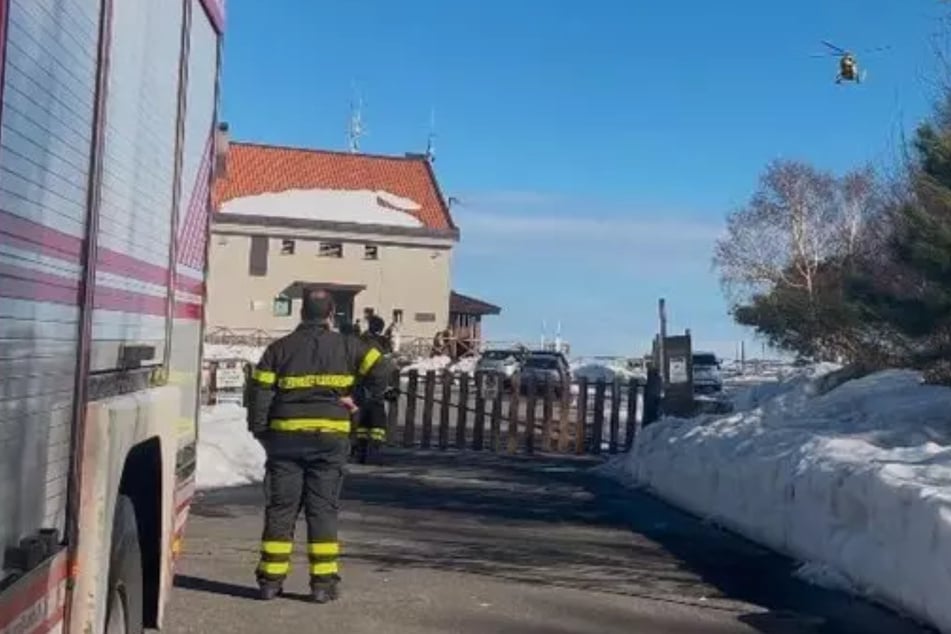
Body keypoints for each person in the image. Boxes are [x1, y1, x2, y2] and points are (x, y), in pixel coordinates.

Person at [246, 289, 389, 603]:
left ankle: (270, 581)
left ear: (301, 313)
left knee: (281, 509)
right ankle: (322, 584)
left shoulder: (278, 349)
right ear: (331, 314)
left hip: (284, 441)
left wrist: (261, 431)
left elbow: (259, 394)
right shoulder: (350, 346)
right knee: (322, 510)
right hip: (329, 440)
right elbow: (382, 370)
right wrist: (358, 400)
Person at [352, 315, 392, 463]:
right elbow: (388, 363)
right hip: (378, 384)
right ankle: (374, 453)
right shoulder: (382, 342)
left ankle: (362, 452)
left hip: (365, 384)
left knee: (364, 419)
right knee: (377, 421)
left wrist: (359, 378)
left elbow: (365, 362)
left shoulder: (364, 341)